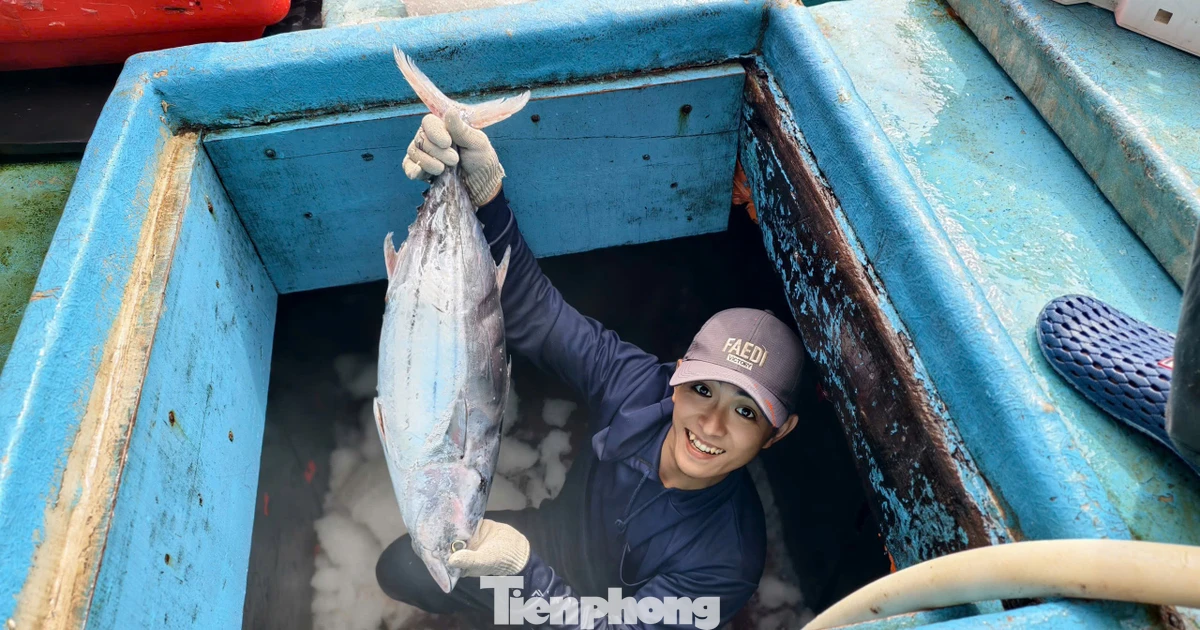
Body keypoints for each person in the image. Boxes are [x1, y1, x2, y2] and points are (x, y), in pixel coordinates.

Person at [375, 112, 806, 629]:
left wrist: (520, 569)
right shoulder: (635, 384)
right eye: (703, 390)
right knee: (404, 567)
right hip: (554, 541)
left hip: (600, 609)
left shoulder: (728, 559)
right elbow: (539, 316)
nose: (711, 424)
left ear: (779, 432)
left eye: (745, 411)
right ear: (677, 376)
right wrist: (486, 192)